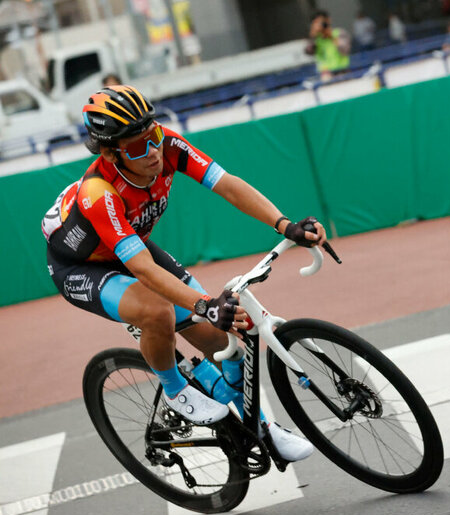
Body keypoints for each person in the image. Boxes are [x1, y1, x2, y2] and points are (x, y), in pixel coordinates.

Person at [42, 85, 323, 461]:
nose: (154, 151)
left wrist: (283, 224)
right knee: (156, 311)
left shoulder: (167, 146)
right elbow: (141, 269)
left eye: (154, 136)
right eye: (138, 146)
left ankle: (264, 430)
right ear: (110, 153)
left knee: (223, 344)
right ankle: (175, 389)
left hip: (129, 244)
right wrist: (204, 304)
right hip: (81, 267)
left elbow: (229, 186)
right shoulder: (100, 192)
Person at [306, 10, 351, 81]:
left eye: (321, 22)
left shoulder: (339, 33)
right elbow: (308, 52)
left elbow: (345, 50)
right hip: (325, 74)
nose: (319, 25)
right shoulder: (316, 39)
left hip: (342, 72)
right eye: (316, 23)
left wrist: (330, 36)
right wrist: (312, 37)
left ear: (328, 20)